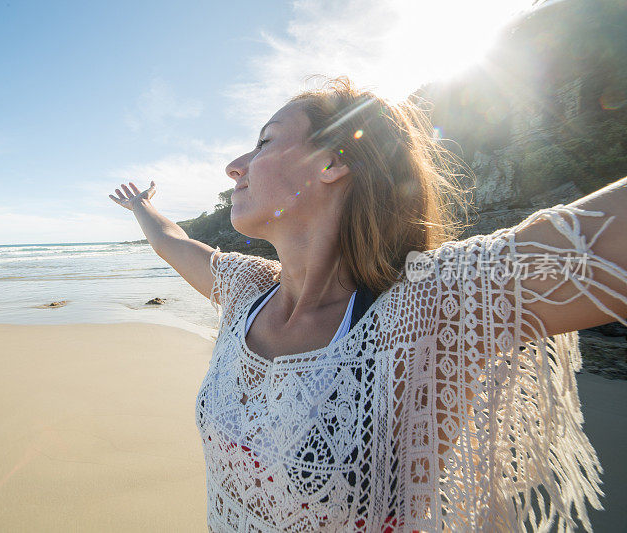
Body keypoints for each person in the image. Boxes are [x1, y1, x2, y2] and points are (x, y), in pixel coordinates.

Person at [109, 77, 627, 532]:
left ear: (334, 161)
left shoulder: (424, 308)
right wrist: (142, 205)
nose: (233, 166)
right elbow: (171, 241)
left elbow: (594, 245)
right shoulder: (247, 289)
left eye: (263, 142)